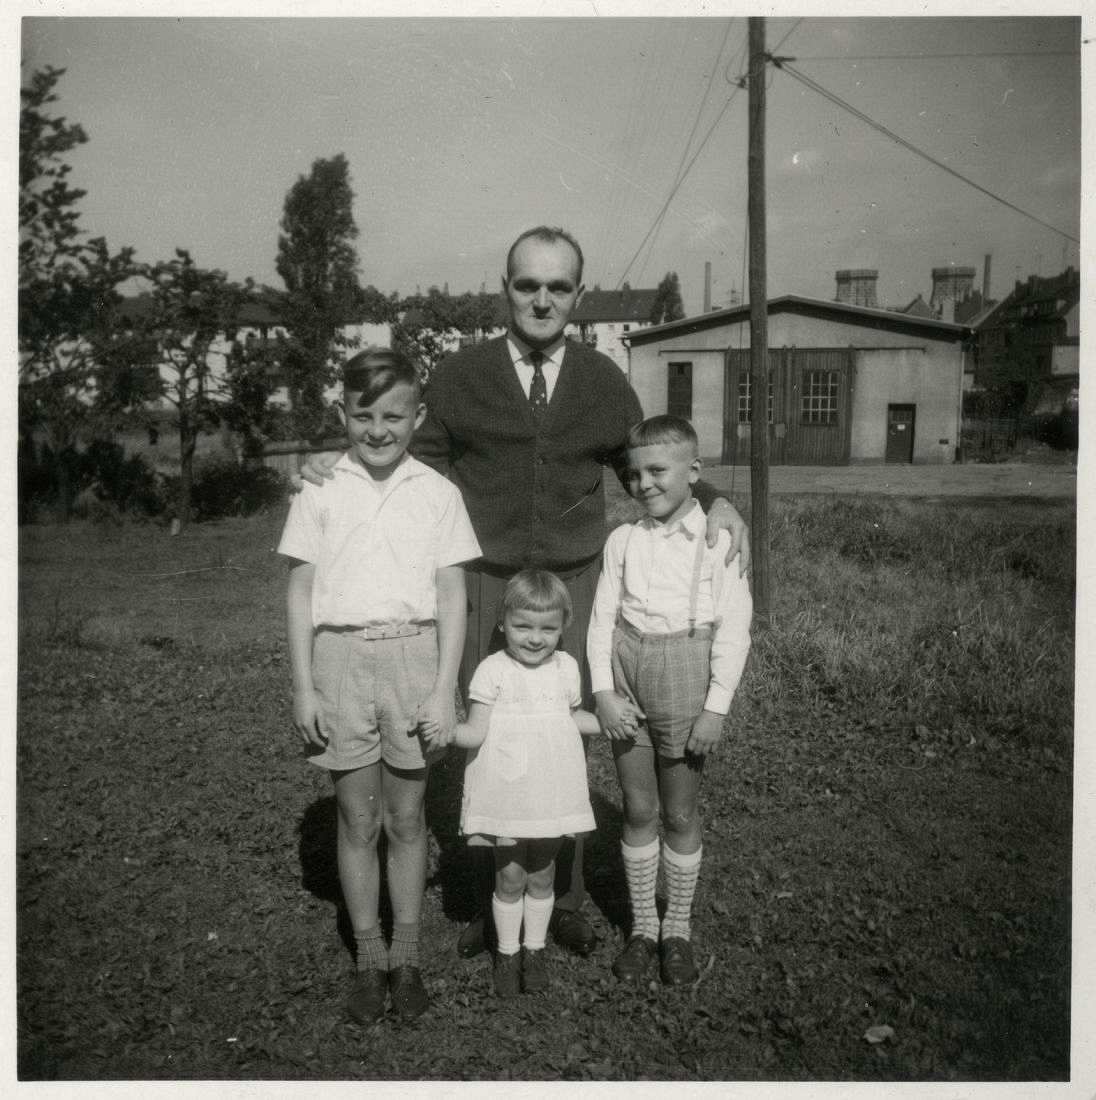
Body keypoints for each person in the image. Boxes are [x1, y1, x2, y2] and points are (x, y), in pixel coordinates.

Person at [297, 225, 751, 960]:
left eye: (558, 287)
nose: (542, 299)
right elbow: (404, 459)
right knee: (489, 735)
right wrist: (331, 465)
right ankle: (487, 893)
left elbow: (655, 462)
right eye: (527, 284)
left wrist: (720, 498)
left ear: (579, 294)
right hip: (483, 582)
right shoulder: (461, 375)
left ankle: (563, 901)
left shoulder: (603, 381)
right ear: (504, 288)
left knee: (565, 738)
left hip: (575, 582)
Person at [278, 348, 481, 1022]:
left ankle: (407, 953)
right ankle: (369, 955)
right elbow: (301, 590)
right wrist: (305, 688)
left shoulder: (438, 492)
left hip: (414, 659)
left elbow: (453, 598)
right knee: (358, 819)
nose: (377, 429)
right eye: (363, 415)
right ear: (343, 413)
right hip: (339, 662)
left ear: (417, 417)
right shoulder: (319, 487)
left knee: (406, 818)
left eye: (393, 416)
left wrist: (442, 689)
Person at [587, 415, 753, 986]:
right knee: (638, 810)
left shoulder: (717, 539)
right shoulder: (622, 540)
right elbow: (601, 618)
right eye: (634, 474)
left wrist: (716, 707)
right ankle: (643, 928)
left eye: (658, 470)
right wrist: (603, 692)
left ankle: (676, 926)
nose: (644, 484)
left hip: (687, 671)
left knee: (679, 811)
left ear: (695, 472)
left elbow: (735, 628)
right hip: (626, 670)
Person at [424, 569, 600, 996]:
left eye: (548, 628)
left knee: (542, 876)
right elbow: (476, 731)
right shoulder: (491, 670)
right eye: (523, 626)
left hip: (551, 792)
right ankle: (507, 953)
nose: (535, 638)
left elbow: (571, 717)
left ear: (563, 628)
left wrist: (610, 724)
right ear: (503, 623)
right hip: (507, 793)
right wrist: (447, 732)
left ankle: (534, 950)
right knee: (510, 877)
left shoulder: (567, 668)